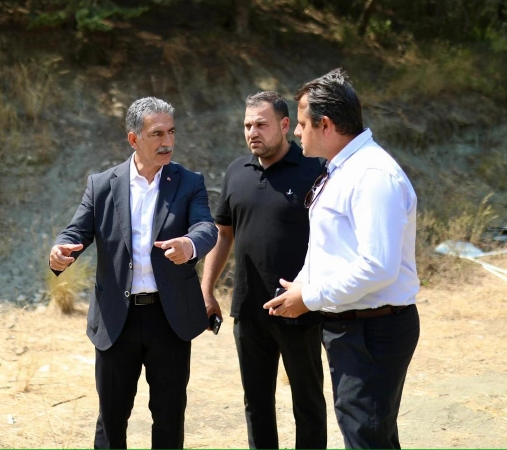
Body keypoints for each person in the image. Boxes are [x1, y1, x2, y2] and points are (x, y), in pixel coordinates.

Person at [264, 68, 420, 449]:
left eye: (302, 124)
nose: (296, 132)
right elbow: (331, 244)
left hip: (372, 331)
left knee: (366, 437)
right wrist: (304, 282)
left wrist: (310, 297)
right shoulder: (344, 169)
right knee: (370, 435)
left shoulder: (372, 175)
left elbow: (377, 267)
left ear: (326, 125)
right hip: (356, 328)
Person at [48, 96, 217, 449]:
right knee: (111, 420)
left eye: (171, 132)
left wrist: (189, 244)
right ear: (133, 139)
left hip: (169, 319)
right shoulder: (102, 185)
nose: (167, 141)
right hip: (116, 320)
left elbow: (206, 227)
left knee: (169, 418)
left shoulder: (189, 182)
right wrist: (61, 250)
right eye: (157, 134)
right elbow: (76, 231)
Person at [201, 91, 328, 449]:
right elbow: (223, 234)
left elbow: (332, 237)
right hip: (248, 310)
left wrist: (312, 291)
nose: (252, 132)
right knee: (256, 404)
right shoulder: (236, 171)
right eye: (247, 125)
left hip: (299, 306)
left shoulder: (315, 168)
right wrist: (206, 289)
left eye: (261, 124)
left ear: (285, 125)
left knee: (308, 403)